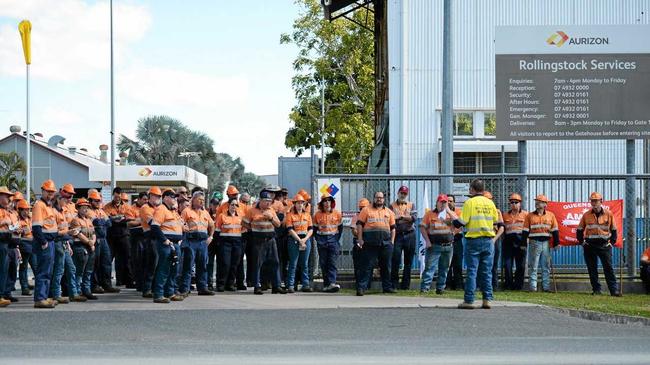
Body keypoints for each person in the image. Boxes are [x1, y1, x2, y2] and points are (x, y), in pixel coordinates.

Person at [453, 179, 500, 309]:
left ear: (472, 190)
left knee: (472, 271)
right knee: (487, 271)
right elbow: (495, 221)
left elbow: (462, 222)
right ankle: (487, 300)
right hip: (488, 240)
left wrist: (453, 221)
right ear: (483, 190)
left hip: (473, 240)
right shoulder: (490, 203)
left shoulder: (469, 202)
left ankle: (469, 300)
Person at [576, 192, 621, 296]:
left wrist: (612, 243)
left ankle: (614, 291)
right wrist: (582, 242)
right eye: (592, 201)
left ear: (601, 201)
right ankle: (596, 290)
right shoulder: (586, 215)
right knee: (592, 269)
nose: (594, 203)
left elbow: (614, 230)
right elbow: (579, 230)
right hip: (590, 246)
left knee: (608, 268)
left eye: (596, 200)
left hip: (604, 246)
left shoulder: (608, 214)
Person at [242, 190, 286, 295]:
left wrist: (270, 218)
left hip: (271, 240)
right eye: (266, 201)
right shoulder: (252, 210)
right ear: (260, 200)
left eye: (269, 201)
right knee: (257, 264)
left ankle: (277, 286)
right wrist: (253, 228)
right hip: (258, 241)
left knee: (275, 263)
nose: (268, 203)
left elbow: (278, 224)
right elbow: (244, 222)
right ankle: (257, 286)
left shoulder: (271, 210)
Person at [356, 191, 396, 296]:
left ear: (384, 199)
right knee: (367, 266)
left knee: (386, 266)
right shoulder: (366, 210)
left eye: (381, 197)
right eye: (377, 197)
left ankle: (387, 287)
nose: (379, 199)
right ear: (374, 198)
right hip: (370, 243)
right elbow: (359, 225)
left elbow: (393, 228)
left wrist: (392, 241)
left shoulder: (389, 212)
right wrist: (360, 239)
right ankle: (361, 288)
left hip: (386, 243)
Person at [150, 189, 185, 303]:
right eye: (172, 196)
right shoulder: (161, 209)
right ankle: (159, 294)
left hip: (175, 244)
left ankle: (170, 292)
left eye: (175, 197)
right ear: (165, 198)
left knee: (174, 269)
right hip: (166, 244)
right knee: (163, 268)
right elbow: (155, 226)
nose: (175, 199)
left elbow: (179, 226)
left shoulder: (174, 211)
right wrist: (164, 240)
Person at [420, 194, 458, 294]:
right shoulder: (429, 214)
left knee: (444, 268)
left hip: (448, 246)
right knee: (429, 268)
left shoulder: (451, 214)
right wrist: (427, 241)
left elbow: (459, 223)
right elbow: (422, 227)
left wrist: (448, 211)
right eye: (441, 202)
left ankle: (440, 288)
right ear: (436, 202)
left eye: (445, 202)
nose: (443, 204)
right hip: (434, 245)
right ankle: (425, 288)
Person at [180, 191, 215, 296]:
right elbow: (180, 223)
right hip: (191, 241)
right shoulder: (187, 211)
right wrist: (185, 228)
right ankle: (185, 288)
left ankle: (202, 288)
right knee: (188, 265)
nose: (202, 202)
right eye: (200, 199)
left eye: (203, 200)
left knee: (203, 265)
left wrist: (211, 237)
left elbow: (212, 225)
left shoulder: (205, 212)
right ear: (193, 200)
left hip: (203, 242)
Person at [522, 194, 559, 293]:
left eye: (540, 201)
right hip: (534, 243)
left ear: (545, 204)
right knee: (533, 266)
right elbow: (525, 231)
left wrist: (556, 243)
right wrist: (523, 244)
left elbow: (555, 230)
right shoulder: (529, 216)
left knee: (545, 266)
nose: (537, 203)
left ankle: (545, 287)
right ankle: (533, 288)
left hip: (546, 243)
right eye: (536, 201)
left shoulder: (551, 215)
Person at [31, 180, 59, 308]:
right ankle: (40, 298)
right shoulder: (39, 205)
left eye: (52, 192)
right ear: (42, 191)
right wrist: (43, 242)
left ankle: (44, 296)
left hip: (50, 242)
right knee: (43, 271)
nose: (50, 194)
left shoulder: (49, 206)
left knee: (48, 271)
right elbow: (36, 228)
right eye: (48, 192)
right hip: (45, 243)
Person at [49, 193, 82, 303]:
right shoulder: (53, 212)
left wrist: (67, 241)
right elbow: (54, 231)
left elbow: (64, 228)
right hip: (57, 242)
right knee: (59, 269)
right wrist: (68, 232)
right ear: (58, 199)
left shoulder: (62, 211)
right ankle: (56, 294)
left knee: (71, 268)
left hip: (64, 242)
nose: (68, 201)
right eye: (65, 198)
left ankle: (73, 293)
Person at [88, 191, 119, 294]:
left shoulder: (101, 211)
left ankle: (107, 284)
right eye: (96, 201)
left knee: (106, 262)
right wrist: (102, 222)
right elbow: (96, 222)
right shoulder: (88, 211)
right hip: (95, 239)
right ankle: (95, 285)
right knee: (95, 263)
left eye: (99, 201)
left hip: (103, 239)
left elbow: (109, 223)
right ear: (91, 201)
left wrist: (101, 221)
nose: (98, 202)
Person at [103, 187, 134, 288]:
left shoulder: (127, 206)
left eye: (119, 196)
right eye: (116, 196)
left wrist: (117, 218)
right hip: (111, 236)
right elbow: (106, 218)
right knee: (108, 259)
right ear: (113, 195)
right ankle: (107, 283)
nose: (117, 198)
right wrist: (120, 218)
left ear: (121, 196)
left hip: (124, 235)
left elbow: (130, 217)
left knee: (126, 259)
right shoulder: (107, 206)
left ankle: (128, 281)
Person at [313, 193, 343, 293]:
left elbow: (340, 228)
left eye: (329, 200)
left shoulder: (337, 214)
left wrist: (335, 239)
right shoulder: (317, 215)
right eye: (325, 201)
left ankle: (332, 283)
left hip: (333, 241)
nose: (327, 203)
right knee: (323, 263)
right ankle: (326, 285)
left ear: (332, 202)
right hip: (322, 241)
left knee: (332, 263)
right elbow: (314, 229)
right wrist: (319, 240)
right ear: (322, 203)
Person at [284, 194, 313, 293]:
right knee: (293, 263)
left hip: (305, 239)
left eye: (302, 203)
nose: (300, 205)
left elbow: (311, 229)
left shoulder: (307, 215)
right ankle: (290, 285)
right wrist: (299, 240)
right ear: (294, 204)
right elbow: (290, 229)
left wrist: (304, 240)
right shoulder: (290, 215)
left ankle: (306, 284)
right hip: (294, 240)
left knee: (304, 264)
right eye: (298, 203)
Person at [390, 186, 417, 290]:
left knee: (408, 261)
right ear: (398, 193)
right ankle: (394, 284)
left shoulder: (411, 204)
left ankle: (405, 285)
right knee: (395, 260)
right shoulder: (392, 205)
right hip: (397, 235)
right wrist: (407, 218)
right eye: (401, 193)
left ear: (407, 194)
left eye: (405, 193)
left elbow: (414, 218)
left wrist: (401, 217)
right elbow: (392, 220)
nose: (403, 195)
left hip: (410, 234)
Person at [69, 198, 96, 300]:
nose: (85, 210)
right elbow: (78, 234)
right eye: (83, 208)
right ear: (78, 209)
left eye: (87, 208)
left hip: (90, 247)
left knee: (88, 271)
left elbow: (93, 233)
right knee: (79, 271)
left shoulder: (88, 220)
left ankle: (87, 290)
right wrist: (89, 242)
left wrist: (92, 242)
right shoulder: (76, 220)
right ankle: (78, 291)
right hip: (80, 246)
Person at [215, 197, 243, 292]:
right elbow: (217, 231)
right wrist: (218, 244)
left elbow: (243, 231)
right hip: (225, 242)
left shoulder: (240, 217)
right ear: (228, 205)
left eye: (236, 205)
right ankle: (221, 284)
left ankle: (230, 284)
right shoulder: (222, 216)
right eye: (232, 204)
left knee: (234, 264)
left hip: (237, 242)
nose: (234, 206)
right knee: (225, 264)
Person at [501, 193, 528, 290]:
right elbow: (502, 229)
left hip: (520, 241)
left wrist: (526, 241)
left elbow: (528, 230)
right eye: (512, 202)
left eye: (516, 202)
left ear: (520, 203)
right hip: (508, 241)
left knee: (520, 265)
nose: (514, 204)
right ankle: (508, 285)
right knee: (507, 265)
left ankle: (518, 286)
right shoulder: (505, 215)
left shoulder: (526, 215)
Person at [140, 187, 161, 298]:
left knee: (158, 265)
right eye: (155, 196)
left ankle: (153, 288)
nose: (157, 198)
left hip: (159, 237)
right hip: (150, 237)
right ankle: (147, 289)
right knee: (152, 264)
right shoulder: (145, 208)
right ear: (150, 196)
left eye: (159, 196)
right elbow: (153, 223)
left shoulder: (159, 208)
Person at [483, 192, 505, 290]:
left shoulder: (497, 211)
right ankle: (482, 285)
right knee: (482, 264)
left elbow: (502, 228)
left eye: (489, 199)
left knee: (494, 264)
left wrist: (494, 239)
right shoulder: (479, 211)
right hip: (482, 239)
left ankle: (494, 286)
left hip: (494, 240)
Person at [16, 199, 37, 297]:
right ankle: (24, 288)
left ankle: (39, 286)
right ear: (19, 210)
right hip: (23, 245)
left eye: (27, 210)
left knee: (36, 266)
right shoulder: (17, 220)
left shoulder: (30, 219)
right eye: (24, 210)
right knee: (23, 268)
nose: (26, 212)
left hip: (32, 245)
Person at [0, 186, 16, 307]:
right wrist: (3, 222)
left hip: (6, 243)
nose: (9, 199)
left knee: (5, 270)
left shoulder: (5, 211)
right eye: (7, 196)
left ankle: (3, 294)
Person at [128, 192, 147, 292]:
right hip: (136, 238)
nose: (146, 201)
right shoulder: (132, 209)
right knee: (137, 261)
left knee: (145, 262)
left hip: (146, 238)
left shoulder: (148, 208)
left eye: (146, 199)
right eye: (144, 199)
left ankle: (145, 283)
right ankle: (139, 284)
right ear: (138, 199)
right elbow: (129, 223)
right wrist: (142, 221)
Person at [350, 198, 370, 294]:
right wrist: (360, 236)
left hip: (369, 242)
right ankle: (359, 284)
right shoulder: (356, 216)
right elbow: (354, 230)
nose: (362, 210)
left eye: (364, 207)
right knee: (358, 265)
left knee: (368, 264)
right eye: (361, 208)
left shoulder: (370, 216)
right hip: (358, 242)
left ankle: (367, 285)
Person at [445, 195, 464, 290]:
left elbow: (459, 226)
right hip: (446, 240)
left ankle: (459, 285)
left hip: (457, 239)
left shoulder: (459, 212)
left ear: (454, 202)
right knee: (447, 263)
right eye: (447, 201)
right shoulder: (442, 212)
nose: (449, 203)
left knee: (458, 263)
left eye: (451, 201)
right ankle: (447, 284)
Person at [235, 193, 252, 290]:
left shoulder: (250, 209)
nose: (245, 203)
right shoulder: (237, 207)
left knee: (250, 259)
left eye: (247, 202)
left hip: (248, 235)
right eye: (243, 201)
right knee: (239, 259)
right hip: (239, 235)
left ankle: (250, 280)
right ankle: (239, 281)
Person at [207, 197, 221, 291]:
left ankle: (219, 283)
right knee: (209, 263)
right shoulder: (207, 214)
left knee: (220, 263)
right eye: (214, 204)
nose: (215, 206)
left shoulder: (221, 214)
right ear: (210, 205)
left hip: (219, 241)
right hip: (209, 242)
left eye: (217, 204)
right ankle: (209, 283)